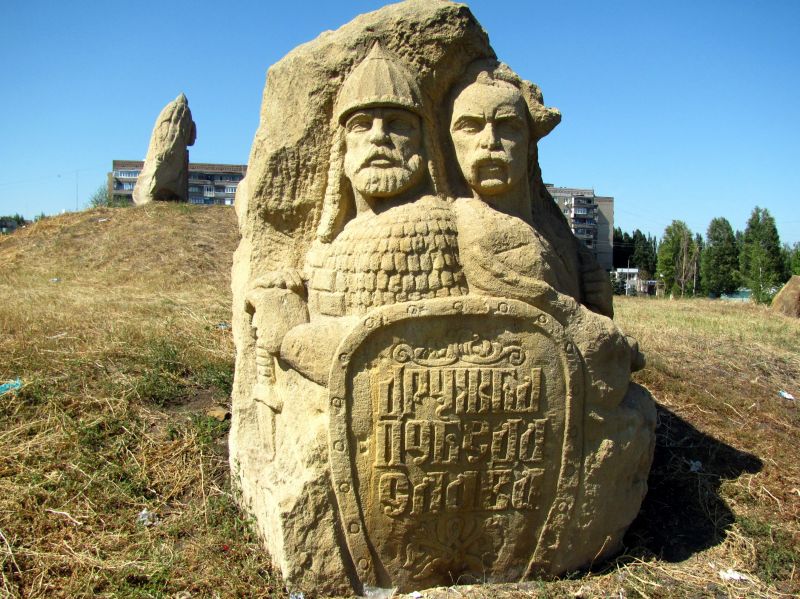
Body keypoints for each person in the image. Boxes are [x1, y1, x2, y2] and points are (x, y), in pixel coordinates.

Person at [446, 61, 613, 318]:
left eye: (508, 126)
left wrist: (599, 303)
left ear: (529, 145)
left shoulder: (554, 230)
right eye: (471, 126)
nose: (490, 141)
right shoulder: (457, 227)